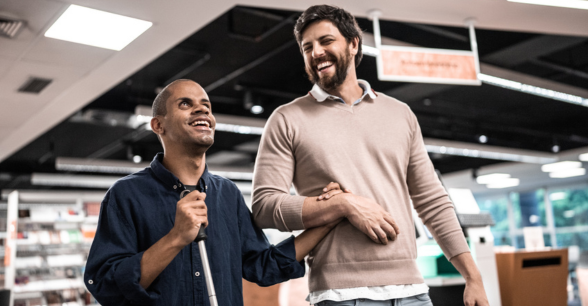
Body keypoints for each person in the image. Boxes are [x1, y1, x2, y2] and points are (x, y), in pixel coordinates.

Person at [252, 5, 490, 306]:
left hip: (412, 292)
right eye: (307, 47)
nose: (316, 53)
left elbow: (432, 200)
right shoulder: (287, 119)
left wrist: (472, 276)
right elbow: (264, 206)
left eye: (326, 41)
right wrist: (343, 204)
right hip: (340, 295)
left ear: (353, 44)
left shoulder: (400, 114)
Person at [84, 79, 337, 306]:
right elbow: (106, 287)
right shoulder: (126, 195)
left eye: (206, 105)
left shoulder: (227, 194)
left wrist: (328, 218)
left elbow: (262, 266)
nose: (202, 109)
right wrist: (176, 238)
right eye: (185, 104)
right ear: (158, 124)